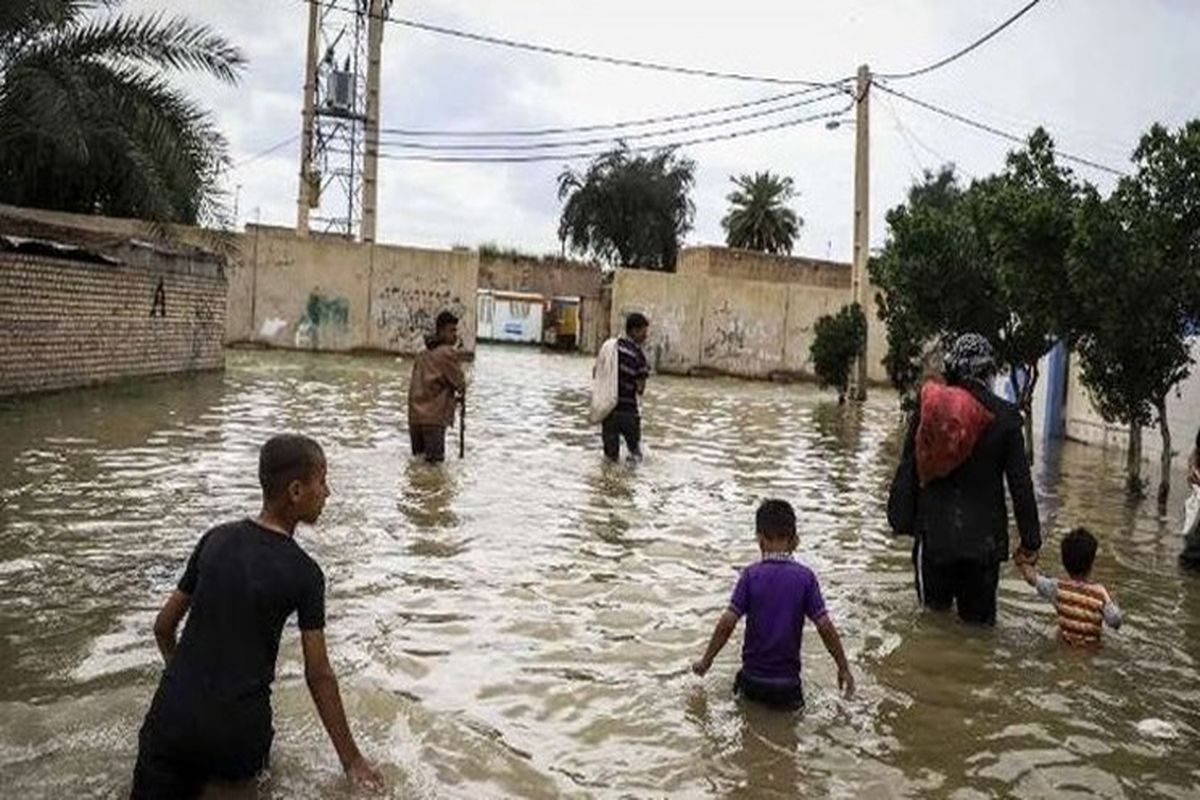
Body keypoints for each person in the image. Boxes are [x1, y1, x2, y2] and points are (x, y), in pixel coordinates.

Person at [130, 434, 382, 798]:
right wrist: (353, 761)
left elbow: (163, 627)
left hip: (169, 722)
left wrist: (183, 685)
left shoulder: (214, 539)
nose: (328, 493)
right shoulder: (305, 573)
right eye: (322, 481)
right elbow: (318, 674)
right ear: (296, 491)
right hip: (235, 735)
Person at [887, 333, 1042, 626]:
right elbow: (1021, 485)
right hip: (983, 548)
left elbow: (909, 467)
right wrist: (1030, 541)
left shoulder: (929, 409)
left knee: (930, 627)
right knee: (979, 633)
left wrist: (901, 518)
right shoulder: (1006, 417)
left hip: (934, 541)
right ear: (988, 371)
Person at [692, 499, 854, 711]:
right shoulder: (805, 578)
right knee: (788, 738)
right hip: (787, 686)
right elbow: (824, 626)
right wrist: (843, 666)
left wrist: (706, 661)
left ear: (759, 541)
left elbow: (727, 623)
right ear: (795, 541)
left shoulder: (750, 576)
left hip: (752, 681)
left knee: (747, 732)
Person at [1015, 527, 1122, 646]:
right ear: (1091, 564)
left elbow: (1032, 578)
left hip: (1064, 646)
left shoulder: (1058, 588)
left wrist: (1022, 562)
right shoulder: (1099, 593)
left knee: (1058, 632)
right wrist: (1113, 602)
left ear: (1064, 563)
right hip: (1090, 651)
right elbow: (1114, 621)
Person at [408, 311, 466, 464]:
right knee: (434, 468)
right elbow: (460, 384)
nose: (455, 335)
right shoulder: (447, 353)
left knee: (418, 464)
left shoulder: (422, 355)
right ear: (441, 332)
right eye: (451, 330)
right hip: (433, 420)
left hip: (415, 419)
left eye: (456, 331)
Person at [595, 312, 651, 462]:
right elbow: (640, 389)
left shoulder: (610, 347)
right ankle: (629, 483)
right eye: (643, 332)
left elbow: (597, 373)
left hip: (608, 411)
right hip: (628, 412)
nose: (646, 336)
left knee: (609, 459)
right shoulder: (639, 356)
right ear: (634, 331)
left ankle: (608, 484)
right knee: (635, 456)